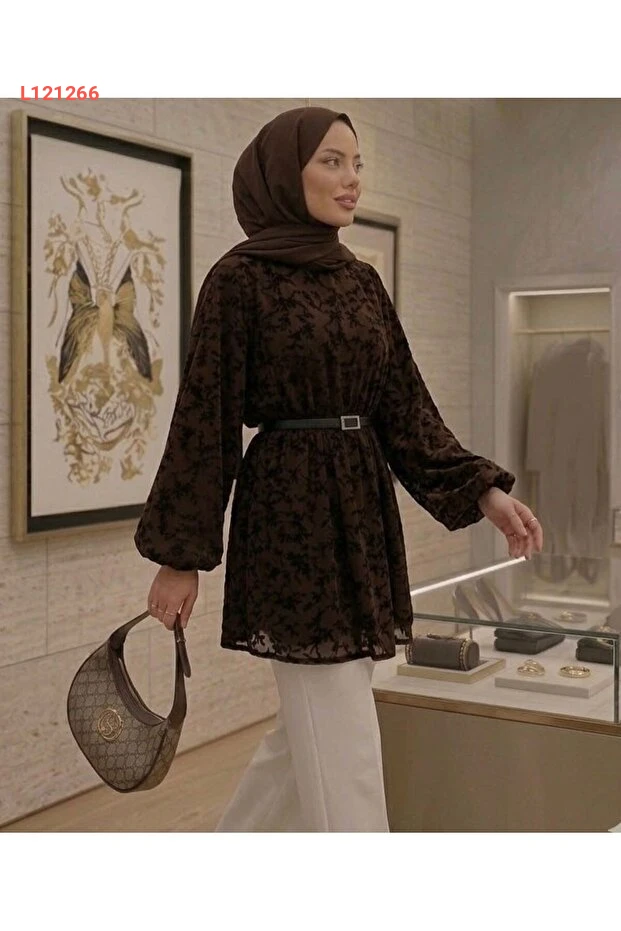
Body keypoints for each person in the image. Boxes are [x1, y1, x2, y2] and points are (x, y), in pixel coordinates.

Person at [133, 106, 544, 832]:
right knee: (344, 742)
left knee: (310, 735)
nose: (352, 178)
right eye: (331, 161)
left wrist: (484, 492)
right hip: (290, 518)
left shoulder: (361, 283)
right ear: (282, 172)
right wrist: (179, 558)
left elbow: (405, 408)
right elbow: (204, 420)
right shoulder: (239, 280)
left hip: (359, 515)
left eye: (357, 164)